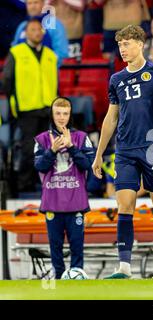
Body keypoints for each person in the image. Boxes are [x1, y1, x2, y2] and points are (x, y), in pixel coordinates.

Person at [91, 25, 153, 279]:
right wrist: (99, 153)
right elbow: (111, 117)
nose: (123, 49)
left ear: (140, 44)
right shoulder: (117, 79)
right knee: (125, 204)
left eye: (127, 44)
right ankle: (124, 267)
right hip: (125, 149)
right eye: (120, 45)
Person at [34, 97, 94, 279]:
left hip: (76, 202)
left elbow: (89, 165)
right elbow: (39, 167)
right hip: (52, 203)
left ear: (70, 115)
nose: (61, 117)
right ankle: (58, 279)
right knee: (55, 247)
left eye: (65, 113)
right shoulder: (42, 139)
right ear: (52, 114)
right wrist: (51, 151)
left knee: (77, 246)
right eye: (58, 113)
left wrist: (71, 147)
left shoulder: (82, 138)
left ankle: (76, 279)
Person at [3, 18, 58, 192]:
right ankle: (24, 184)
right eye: (32, 29)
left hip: (47, 107)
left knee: (48, 148)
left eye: (39, 29)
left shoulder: (50, 54)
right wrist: (14, 103)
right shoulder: (16, 52)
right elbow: (7, 80)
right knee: (28, 148)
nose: (36, 32)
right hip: (26, 108)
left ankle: (42, 183)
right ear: (26, 33)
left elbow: (54, 83)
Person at [12, 0, 69, 67]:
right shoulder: (22, 26)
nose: (32, 6)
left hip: (47, 73)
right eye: (29, 3)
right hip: (24, 74)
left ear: (43, 4)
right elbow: (14, 52)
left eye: (36, 2)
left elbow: (61, 53)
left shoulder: (54, 25)